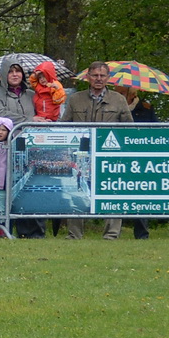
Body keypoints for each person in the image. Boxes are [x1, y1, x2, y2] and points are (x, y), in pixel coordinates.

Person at [64, 60, 134, 239]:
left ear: (108, 78)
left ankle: (111, 235)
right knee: (76, 191)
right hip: (81, 154)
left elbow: (130, 127)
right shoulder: (75, 99)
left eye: (102, 75)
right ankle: (74, 235)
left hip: (110, 155)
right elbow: (64, 125)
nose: (98, 79)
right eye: (95, 75)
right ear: (88, 77)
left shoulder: (119, 100)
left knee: (113, 191)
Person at [0, 62, 43, 236]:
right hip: (4, 151)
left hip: (31, 149)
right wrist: (29, 120)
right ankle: (3, 229)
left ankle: (31, 231)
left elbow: (43, 113)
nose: (15, 74)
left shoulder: (33, 94)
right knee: (4, 191)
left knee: (29, 188)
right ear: (4, 74)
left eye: (18, 71)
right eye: (10, 71)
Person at [120, 86, 158, 239]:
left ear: (132, 92)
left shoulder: (146, 108)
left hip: (140, 155)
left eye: (122, 90)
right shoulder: (115, 105)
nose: (118, 92)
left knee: (140, 192)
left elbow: (156, 131)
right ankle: (113, 232)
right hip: (119, 154)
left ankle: (142, 233)